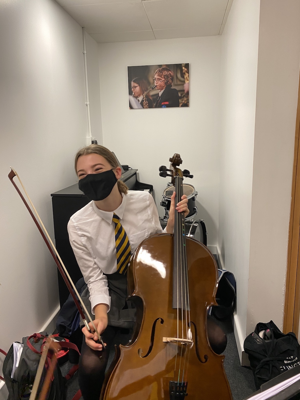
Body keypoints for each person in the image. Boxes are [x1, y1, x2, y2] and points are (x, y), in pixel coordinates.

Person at [67, 144, 189, 400]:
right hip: (110, 287)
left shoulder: (143, 200)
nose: (89, 177)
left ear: (117, 172)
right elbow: (94, 278)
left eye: (97, 169)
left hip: (148, 279)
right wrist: (100, 316)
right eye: (82, 174)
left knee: (206, 338)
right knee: (90, 365)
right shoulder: (77, 224)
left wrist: (172, 225)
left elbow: (157, 246)